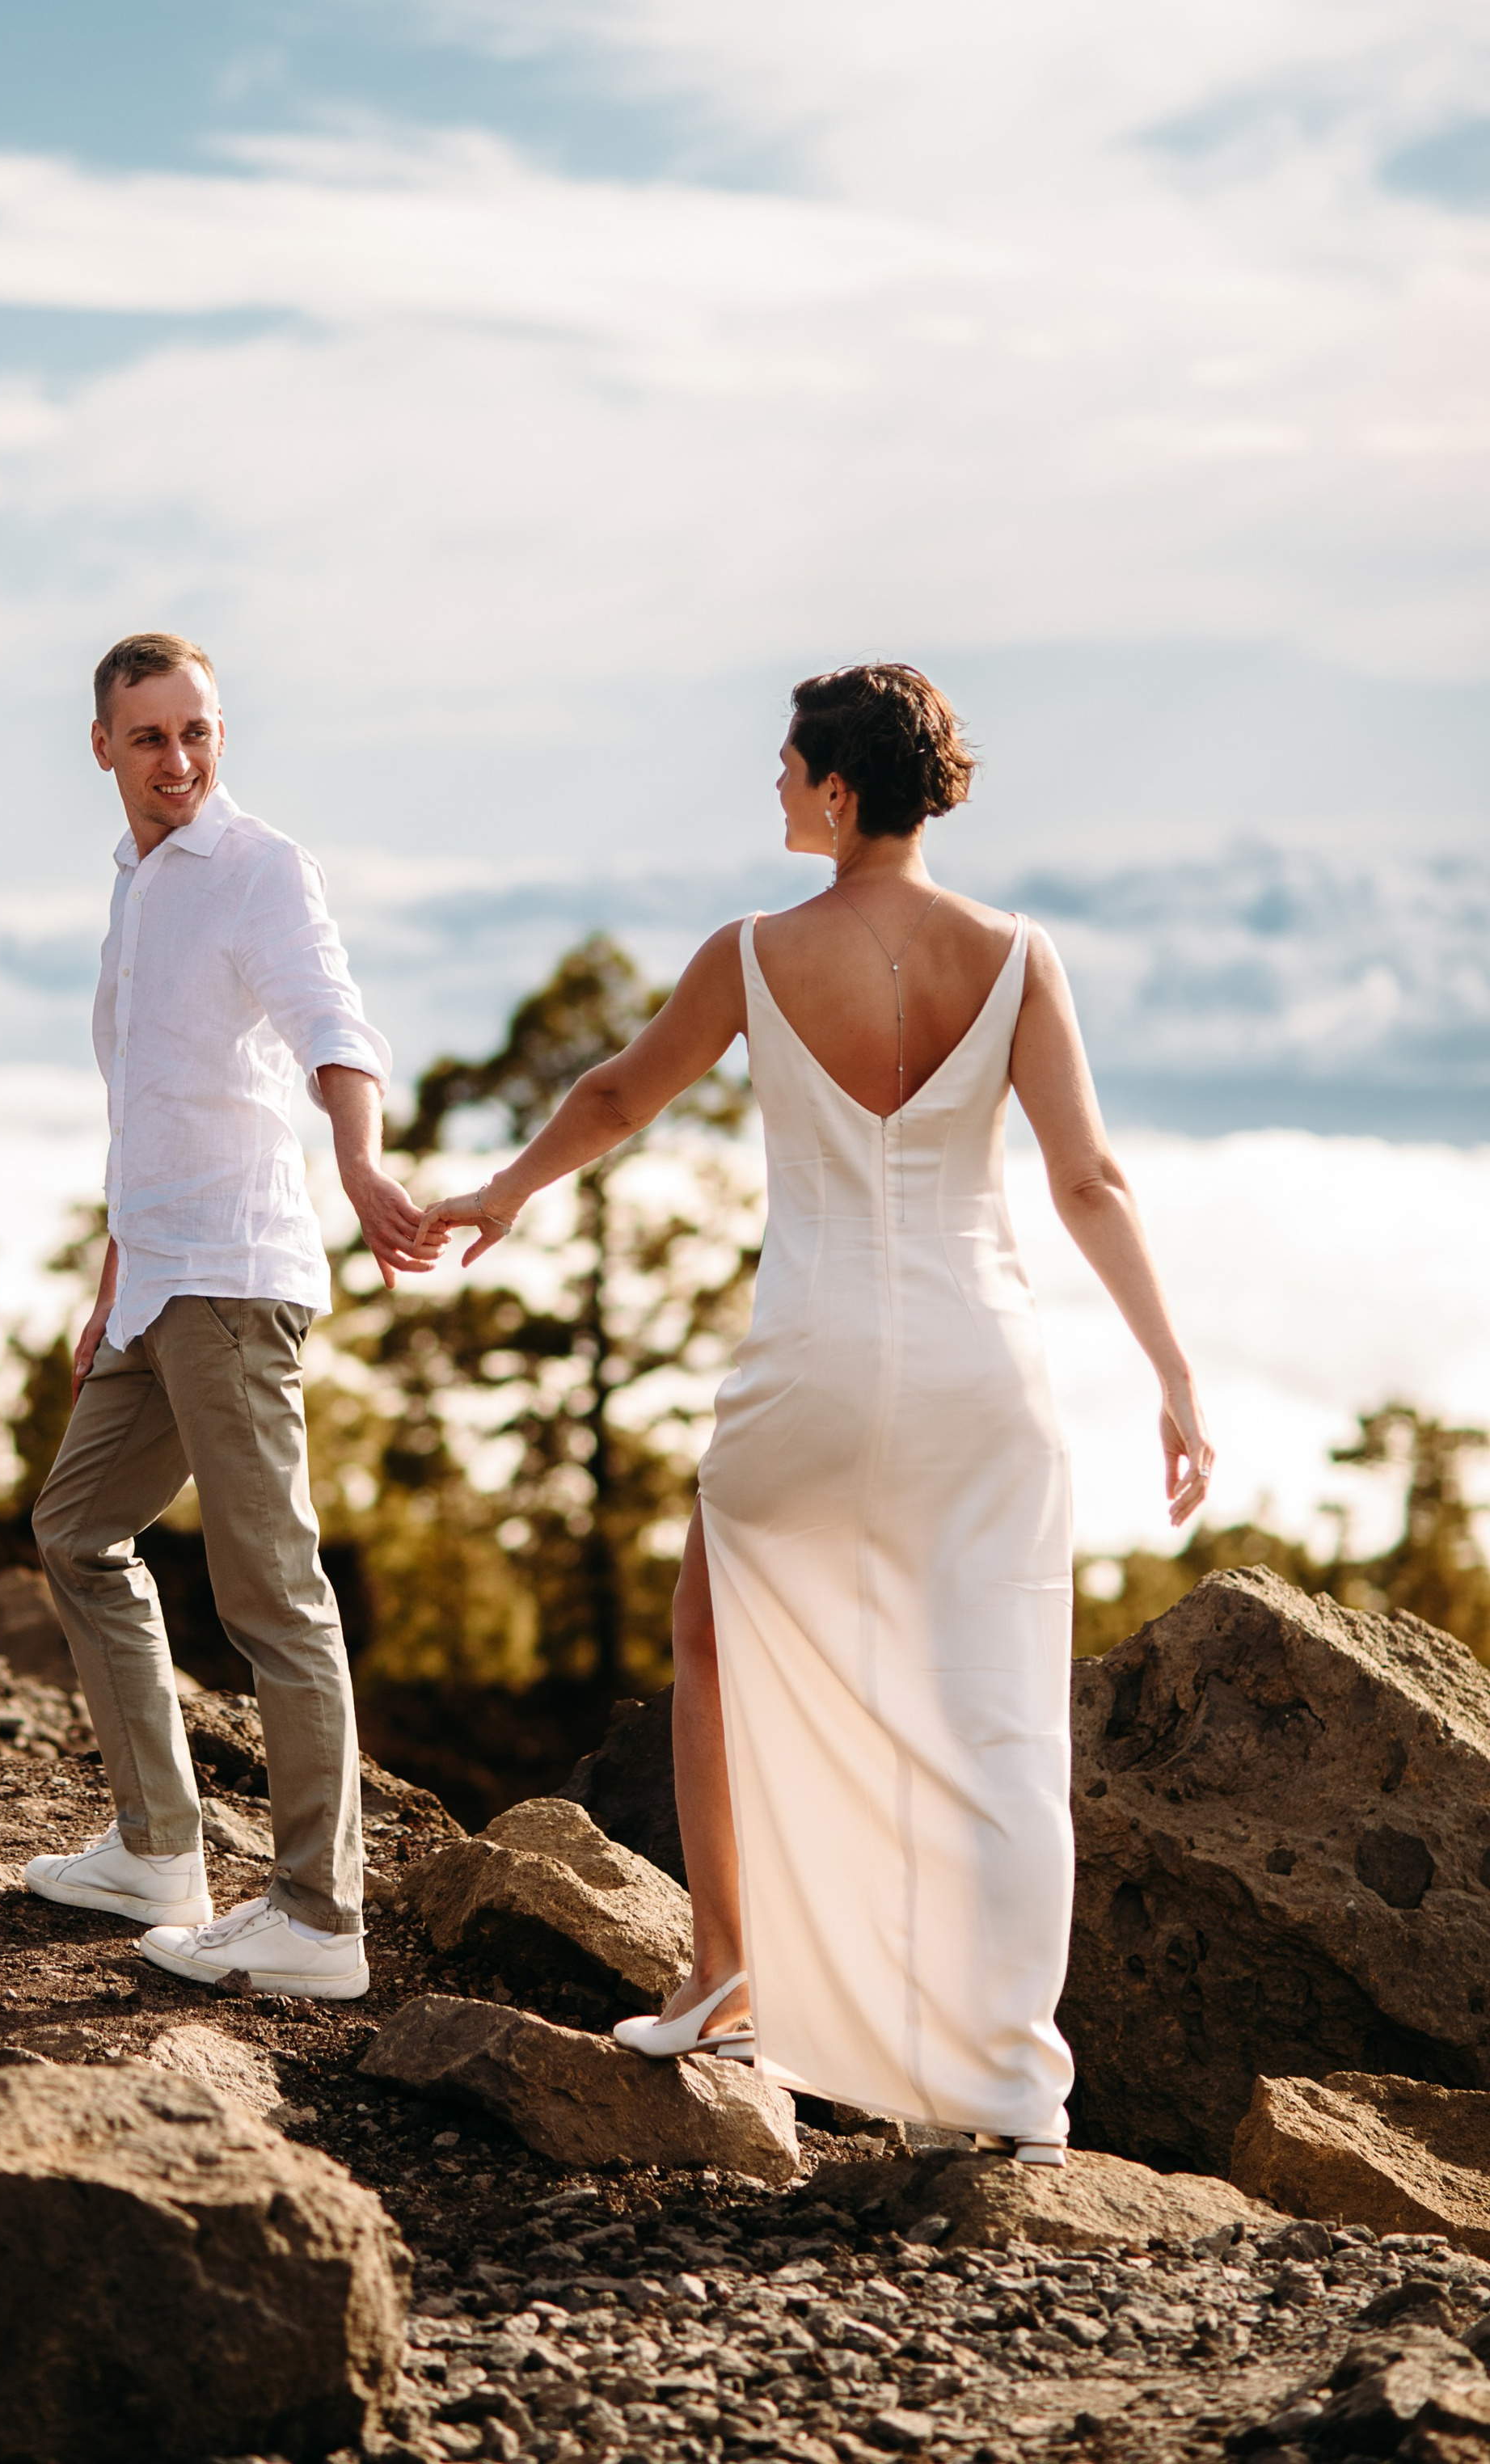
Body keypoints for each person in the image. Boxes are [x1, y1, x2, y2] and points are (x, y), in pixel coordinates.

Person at [423, 662, 1211, 2158]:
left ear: (841, 790)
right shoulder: (1020, 955)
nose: (775, 788)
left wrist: (499, 1196)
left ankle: (728, 1974)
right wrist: (1172, 1374)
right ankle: (1004, 2090)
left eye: (789, 767)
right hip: (987, 1370)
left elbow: (611, 1098)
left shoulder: (756, 951)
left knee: (719, 1637)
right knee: (993, 1714)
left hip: (815, 1356)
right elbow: (1090, 1180)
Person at [24, 630, 430, 1999]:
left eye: (199, 732)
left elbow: (332, 1017)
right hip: (154, 1281)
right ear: (103, 748)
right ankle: (159, 1852)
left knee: (272, 1596)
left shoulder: (259, 869)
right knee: (78, 1529)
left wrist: (362, 1161)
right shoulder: (137, 886)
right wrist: (109, 1283)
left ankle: (319, 1919)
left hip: (238, 1281)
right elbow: (144, 1112)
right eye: (151, 738)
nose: (180, 760)